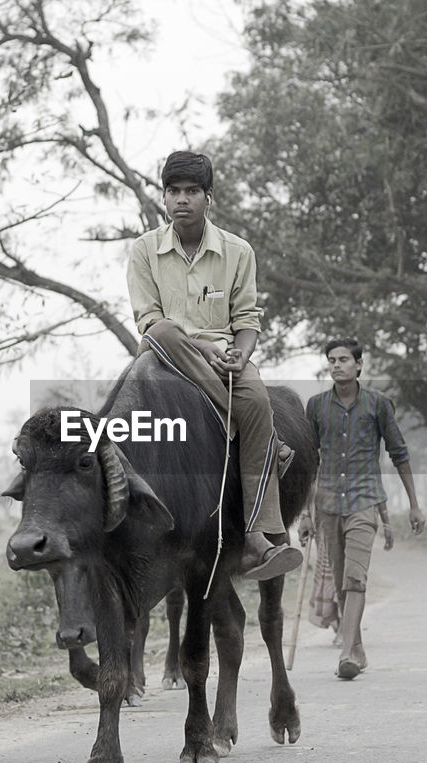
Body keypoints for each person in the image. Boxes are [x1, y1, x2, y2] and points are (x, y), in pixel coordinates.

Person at [127, 150, 300, 580]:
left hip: (225, 362)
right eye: (173, 192)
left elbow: (247, 320)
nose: (181, 200)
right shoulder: (145, 250)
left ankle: (259, 536)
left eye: (192, 192)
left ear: (209, 198)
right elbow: (148, 320)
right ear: (164, 198)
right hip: (165, 358)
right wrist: (203, 347)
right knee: (164, 331)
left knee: (258, 398)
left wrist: (242, 352)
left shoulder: (237, 251)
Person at [301, 338, 425, 679]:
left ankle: (346, 653)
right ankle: (356, 648)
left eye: (343, 359)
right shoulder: (315, 407)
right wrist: (304, 514)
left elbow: (399, 453)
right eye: (332, 360)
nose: (337, 365)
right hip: (327, 505)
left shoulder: (379, 405)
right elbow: (308, 461)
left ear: (359, 364)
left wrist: (414, 505)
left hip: (364, 501)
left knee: (355, 576)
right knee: (342, 579)